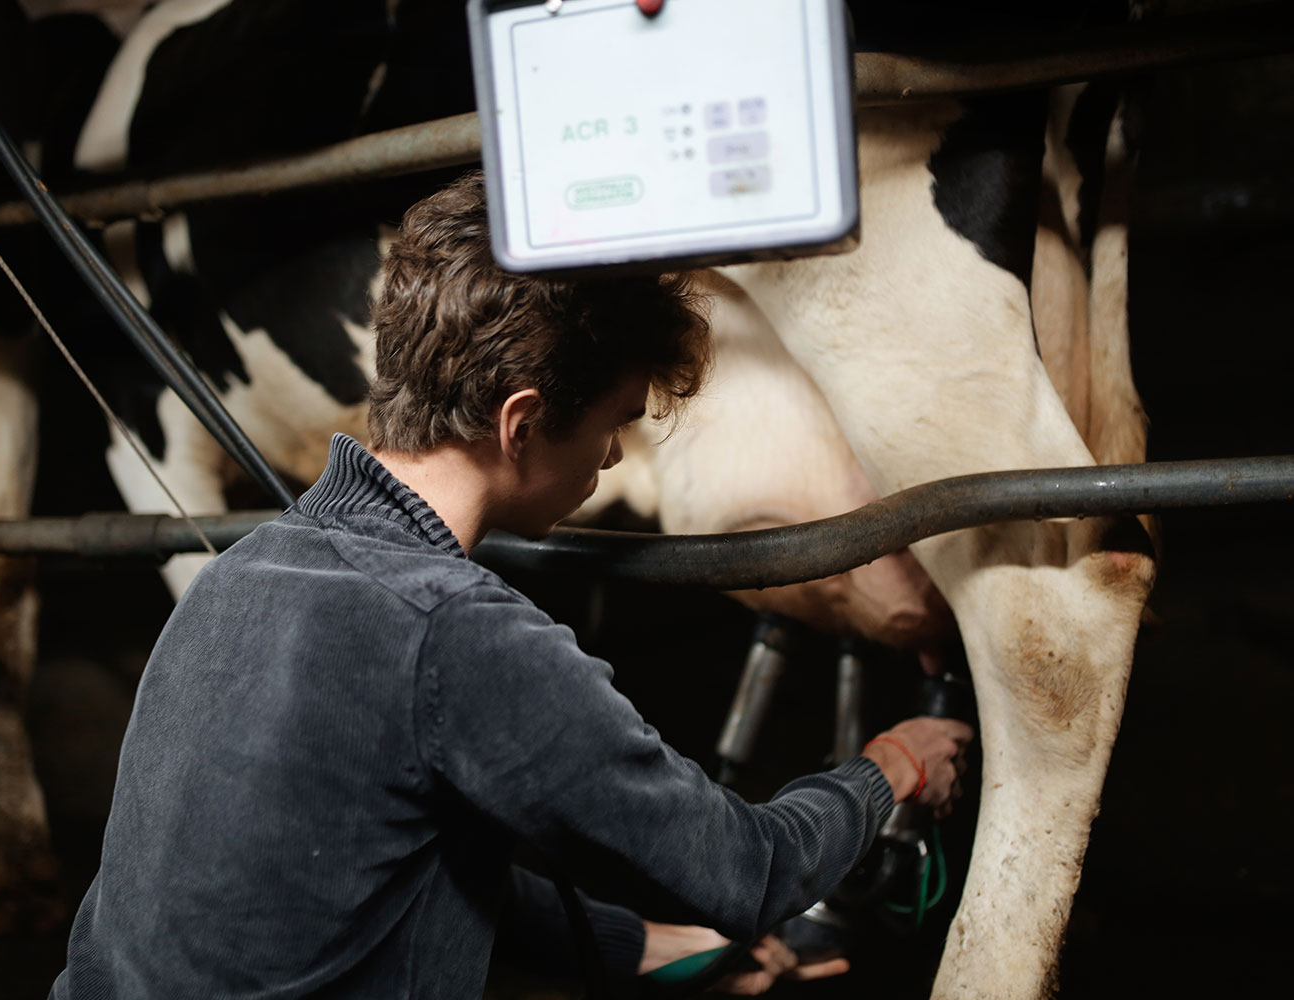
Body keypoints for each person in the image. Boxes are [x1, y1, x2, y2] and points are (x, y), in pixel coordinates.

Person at [49, 171, 972, 999]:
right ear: (522, 422)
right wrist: (893, 765)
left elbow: (370, 859)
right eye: (615, 421)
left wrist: (636, 946)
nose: (613, 454)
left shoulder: (239, 571)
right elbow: (746, 872)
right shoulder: (457, 631)